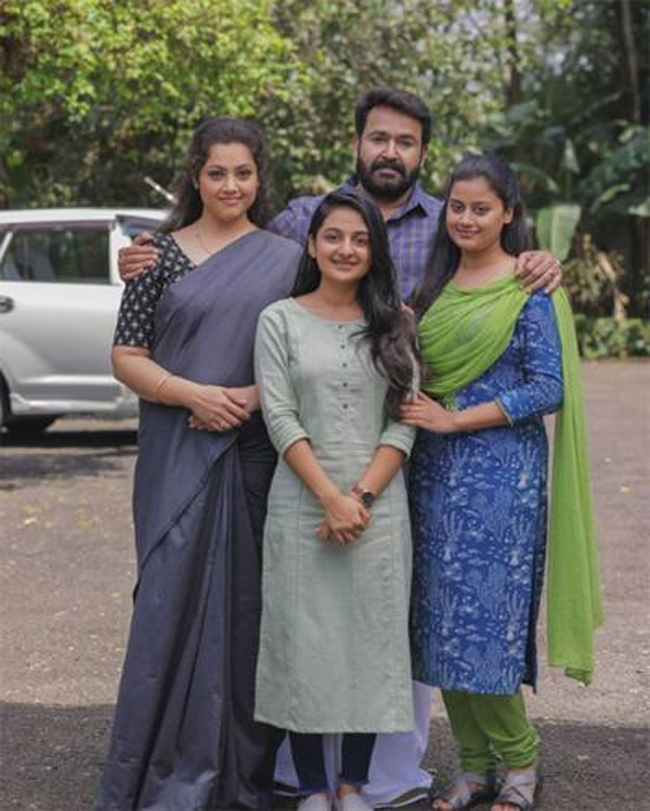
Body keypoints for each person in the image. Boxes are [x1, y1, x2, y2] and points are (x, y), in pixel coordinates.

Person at [116, 88, 565, 808]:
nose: (391, 151)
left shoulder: (449, 232)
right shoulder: (291, 227)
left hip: (410, 472)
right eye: (379, 137)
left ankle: (413, 771)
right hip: (281, 470)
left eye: (406, 141)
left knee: (413, 628)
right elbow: (235, 303)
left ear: (424, 154)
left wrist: (536, 259)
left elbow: (471, 325)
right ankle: (288, 775)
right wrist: (150, 267)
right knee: (293, 627)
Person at [95, 117, 302, 810]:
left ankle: (238, 772)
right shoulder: (156, 255)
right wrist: (195, 394)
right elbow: (126, 356)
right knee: (167, 603)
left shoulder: (286, 258)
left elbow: (305, 346)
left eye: (243, 172)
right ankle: (151, 768)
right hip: (177, 451)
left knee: (245, 611)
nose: (231, 185)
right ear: (196, 176)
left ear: (259, 178)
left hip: (252, 454)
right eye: (218, 172)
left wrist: (251, 396)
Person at [402, 152, 603, 811]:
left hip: (500, 482)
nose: (466, 219)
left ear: (508, 213)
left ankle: (519, 761)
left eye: (481, 208)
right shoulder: (432, 289)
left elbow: (547, 387)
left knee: (484, 625)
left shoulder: (529, 287)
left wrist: (456, 419)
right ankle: (472, 766)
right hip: (432, 476)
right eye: (457, 207)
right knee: (438, 624)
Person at [253, 189, 419, 811]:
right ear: (311, 244)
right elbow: (280, 417)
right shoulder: (279, 320)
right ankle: (313, 789)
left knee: (371, 644)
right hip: (302, 507)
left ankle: (352, 786)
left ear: (374, 250)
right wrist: (329, 498)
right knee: (304, 645)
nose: (346, 249)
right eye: (333, 237)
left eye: (359, 239)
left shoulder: (397, 323)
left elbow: (404, 422)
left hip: (379, 510)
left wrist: (360, 498)